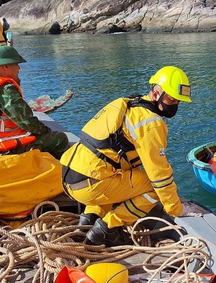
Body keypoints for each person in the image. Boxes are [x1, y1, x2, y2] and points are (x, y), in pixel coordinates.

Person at [60, 66, 199, 247]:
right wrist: (176, 208)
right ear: (156, 93)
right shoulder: (151, 123)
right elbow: (159, 175)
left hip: (70, 176)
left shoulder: (126, 103)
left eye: (179, 101)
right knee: (154, 188)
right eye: (172, 100)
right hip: (90, 184)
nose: (175, 105)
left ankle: (87, 221)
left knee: (109, 170)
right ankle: (107, 227)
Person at [0, 46, 69, 161]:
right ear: (5, 66)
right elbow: (28, 122)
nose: (19, 68)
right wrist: (46, 131)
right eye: (16, 64)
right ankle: (61, 175)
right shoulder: (5, 89)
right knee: (60, 139)